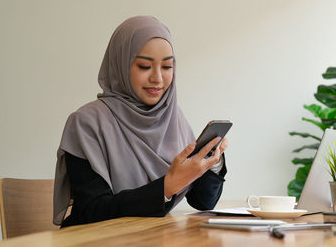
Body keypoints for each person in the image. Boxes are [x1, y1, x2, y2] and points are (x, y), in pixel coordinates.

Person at [52, 16, 228, 227]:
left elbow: (203, 201)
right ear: (120, 65)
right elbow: (93, 211)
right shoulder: (86, 123)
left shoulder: (173, 119)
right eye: (145, 66)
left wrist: (212, 162)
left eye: (167, 66)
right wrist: (167, 186)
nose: (158, 78)